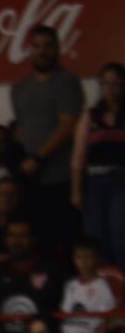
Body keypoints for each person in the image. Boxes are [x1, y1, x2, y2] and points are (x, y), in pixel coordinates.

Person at [11, 25, 85, 237]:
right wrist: (21, 160)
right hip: (31, 179)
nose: (42, 51)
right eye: (37, 46)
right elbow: (21, 127)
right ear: (30, 50)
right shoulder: (19, 88)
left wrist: (38, 158)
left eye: (47, 46)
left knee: (65, 238)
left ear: (57, 49)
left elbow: (68, 126)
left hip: (62, 177)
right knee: (37, 238)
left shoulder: (68, 82)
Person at [74, 62, 125, 261]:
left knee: (119, 234)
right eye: (105, 84)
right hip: (94, 181)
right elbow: (78, 158)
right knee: (95, 236)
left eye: (116, 84)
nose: (110, 89)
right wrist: (76, 191)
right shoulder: (91, 116)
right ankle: (100, 284)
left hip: (121, 180)